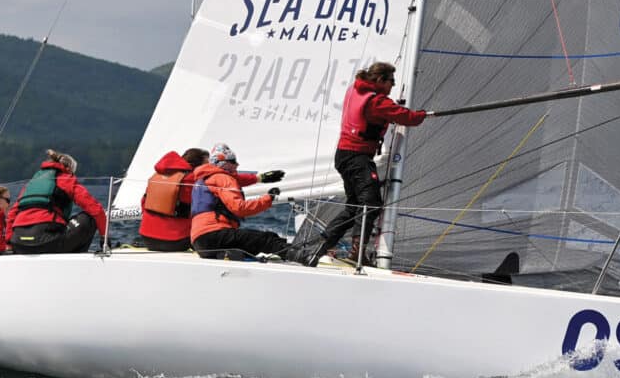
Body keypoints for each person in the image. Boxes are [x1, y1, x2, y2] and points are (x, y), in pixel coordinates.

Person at [305, 62, 427, 266]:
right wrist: (423, 115)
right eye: (391, 82)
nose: (393, 86)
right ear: (380, 80)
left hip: (344, 155)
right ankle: (357, 254)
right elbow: (408, 118)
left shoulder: (356, 89)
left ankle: (319, 248)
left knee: (354, 207)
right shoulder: (376, 102)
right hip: (357, 157)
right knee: (370, 203)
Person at [141, 148, 286, 252]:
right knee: (263, 239)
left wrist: (257, 178)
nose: (211, 166)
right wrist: (260, 182)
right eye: (208, 163)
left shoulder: (156, 177)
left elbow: (144, 204)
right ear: (198, 166)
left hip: (147, 239)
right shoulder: (195, 179)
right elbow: (223, 180)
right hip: (176, 242)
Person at [190, 143, 289, 260]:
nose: (237, 164)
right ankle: (303, 255)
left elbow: (238, 179)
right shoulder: (223, 178)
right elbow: (240, 208)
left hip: (200, 242)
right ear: (222, 163)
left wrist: (260, 178)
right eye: (233, 161)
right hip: (214, 235)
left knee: (251, 244)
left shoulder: (205, 178)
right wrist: (268, 198)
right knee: (268, 239)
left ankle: (226, 254)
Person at [7, 149, 107, 254]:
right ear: (68, 169)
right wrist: (104, 238)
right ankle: (75, 261)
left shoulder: (31, 184)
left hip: (18, 244)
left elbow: (12, 215)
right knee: (89, 218)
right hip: (47, 242)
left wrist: (9, 243)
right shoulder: (66, 179)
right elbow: (96, 210)